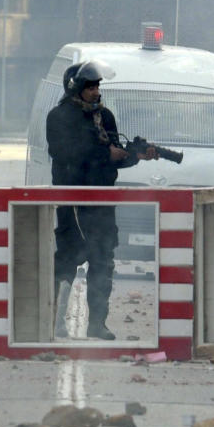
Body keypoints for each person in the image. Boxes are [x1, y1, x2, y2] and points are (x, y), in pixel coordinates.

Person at [46, 61, 157, 340]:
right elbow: (67, 154)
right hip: (74, 200)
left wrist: (134, 156)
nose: (96, 92)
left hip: (103, 202)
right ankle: (55, 321)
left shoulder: (104, 117)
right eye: (90, 87)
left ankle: (97, 323)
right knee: (68, 258)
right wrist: (106, 155)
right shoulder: (59, 117)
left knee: (103, 260)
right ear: (76, 89)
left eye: (97, 87)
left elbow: (113, 157)